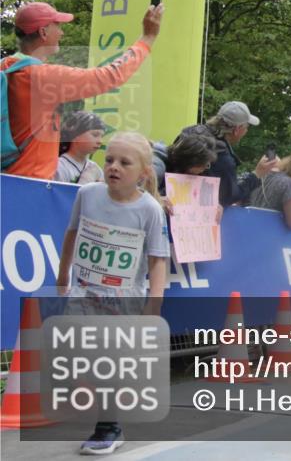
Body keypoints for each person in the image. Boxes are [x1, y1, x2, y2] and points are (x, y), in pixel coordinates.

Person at [55, 132, 169, 455]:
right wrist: (63, 273)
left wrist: (154, 304)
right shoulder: (87, 195)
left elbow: (157, 261)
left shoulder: (149, 210)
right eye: (109, 160)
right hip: (83, 293)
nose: (113, 167)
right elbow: (71, 235)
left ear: (144, 173)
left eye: (124, 162)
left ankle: (109, 427)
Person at [2, 1, 162, 180]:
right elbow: (109, 76)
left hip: (7, 177)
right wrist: (146, 39)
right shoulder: (42, 76)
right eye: (58, 26)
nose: (62, 32)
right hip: (31, 182)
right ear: (43, 32)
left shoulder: (6, 68)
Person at [178, 101, 274, 207]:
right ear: (237, 130)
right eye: (246, 127)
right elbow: (229, 196)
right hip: (193, 213)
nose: (246, 131)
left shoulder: (189, 132)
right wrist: (257, 174)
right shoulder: (222, 157)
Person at [54, 111, 107, 185]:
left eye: (102, 136)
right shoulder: (59, 167)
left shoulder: (96, 169)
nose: (100, 141)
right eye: (95, 135)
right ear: (75, 135)